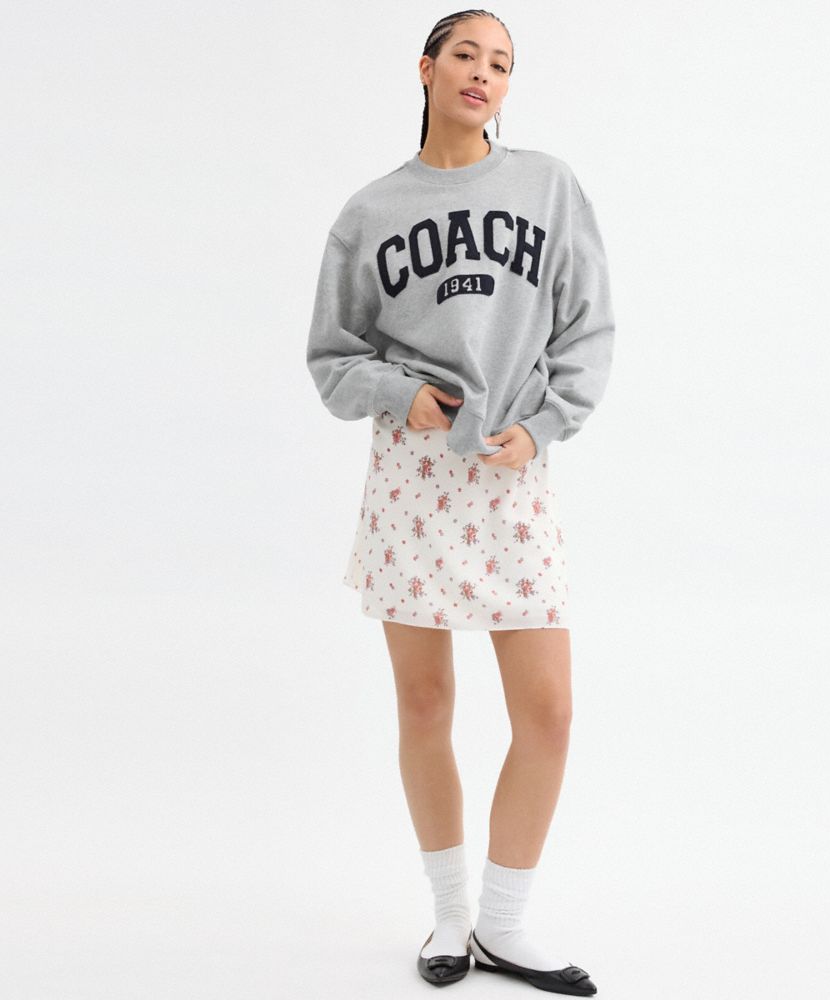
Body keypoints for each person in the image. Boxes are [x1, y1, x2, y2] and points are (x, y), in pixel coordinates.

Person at [305, 9, 614, 995]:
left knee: (549, 711)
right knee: (425, 701)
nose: (484, 73)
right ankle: (449, 916)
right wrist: (401, 395)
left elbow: (587, 324)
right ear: (427, 68)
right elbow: (331, 359)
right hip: (413, 470)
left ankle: (505, 923)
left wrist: (548, 422)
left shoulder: (548, 185)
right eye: (468, 55)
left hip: (512, 467)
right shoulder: (370, 211)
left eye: (503, 63)